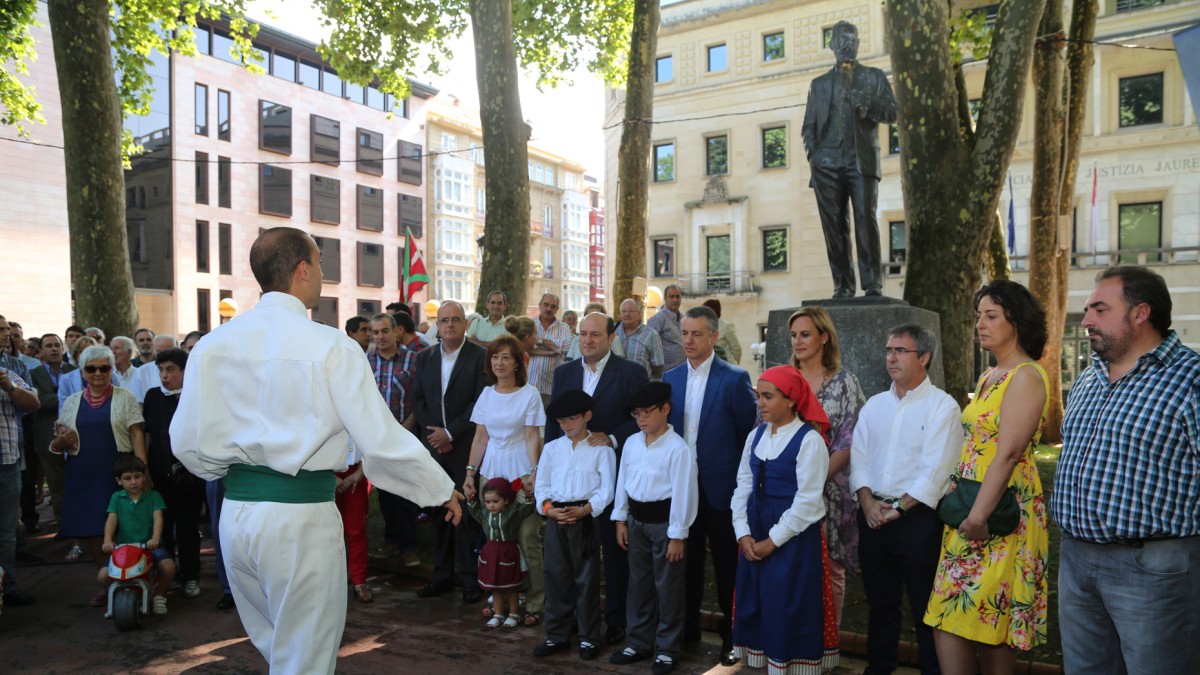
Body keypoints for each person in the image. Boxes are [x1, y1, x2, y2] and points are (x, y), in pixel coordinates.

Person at [170, 227, 461, 674]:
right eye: (320, 262)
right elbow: (379, 436)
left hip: (237, 516)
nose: (323, 272)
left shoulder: (212, 345)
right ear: (303, 270)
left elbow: (186, 441)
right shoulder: (330, 345)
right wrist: (440, 489)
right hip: (299, 518)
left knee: (280, 649)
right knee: (303, 657)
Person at [1051, 266, 1200, 674]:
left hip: (1154, 570)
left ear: (1140, 313)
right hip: (1076, 562)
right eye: (1087, 310)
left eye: (1099, 309)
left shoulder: (1191, 378)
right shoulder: (1088, 378)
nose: (1087, 320)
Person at [923, 281, 1050, 674]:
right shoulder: (990, 376)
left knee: (990, 627)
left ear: (1017, 320)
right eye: (979, 315)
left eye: (991, 315)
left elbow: (1009, 453)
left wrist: (977, 517)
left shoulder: (1026, 375)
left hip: (999, 515)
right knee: (955, 621)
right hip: (970, 511)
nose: (980, 323)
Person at [852, 325, 963, 675]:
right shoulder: (874, 405)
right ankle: (879, 668)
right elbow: (859, 457)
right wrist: (868, 502)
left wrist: (899, 508)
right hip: (872, 518)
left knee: (925, 608)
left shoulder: (942, 407)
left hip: (919, 521)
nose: (891, 357)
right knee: (880, 605)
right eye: (888, 350)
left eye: (900, 351)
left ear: (925, 357)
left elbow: (937, 468)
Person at [545, 312, 648, 645]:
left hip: (612, 473)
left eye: (595, 335)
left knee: (613, 550)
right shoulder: (564, 373)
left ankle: (615, 619)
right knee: (571, 558)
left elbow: (642, 418)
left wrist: (613, 438)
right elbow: (552, 422)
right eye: (583, 334)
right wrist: (546, 466)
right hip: (570, 480)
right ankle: (575, 619)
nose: (587, 340)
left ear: (611, 337)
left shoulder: (632, 373)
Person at [663, 305, 757, 664]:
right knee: (683, 565)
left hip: (721, 490)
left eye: (697, 334)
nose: (689, 340)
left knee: (727, 567)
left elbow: (747, 435)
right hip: (680, 490)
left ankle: (733, 636)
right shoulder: (670, 378)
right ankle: (685, 631)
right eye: (684, 333)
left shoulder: (734, 378)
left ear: (714, 337)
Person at [731, 366, 839, 673]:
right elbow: (743, 486)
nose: (761, 404)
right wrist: (743, 533)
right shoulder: (755, 436)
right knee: (758, 602)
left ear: (791, 400)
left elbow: (807, 501)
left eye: (768, 396)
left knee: (787, 602)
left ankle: (789, 664)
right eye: (758, 397)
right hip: (755, 532)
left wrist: (773, 541)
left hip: (792, 538)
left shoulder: (809, 441)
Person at [801, 20, 898, 298]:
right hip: (826, 164)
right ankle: (843, 284)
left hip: (862, 162)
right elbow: (808, 126)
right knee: (834, 225)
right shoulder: (818, 85)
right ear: (832, 45)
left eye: (851, 40)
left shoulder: (874, 77)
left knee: (865, 219)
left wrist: (867, 104)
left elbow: (892, 112)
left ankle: (872, 284)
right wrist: (814, 157)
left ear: (857, 44)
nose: (847, 45)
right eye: (841, 40)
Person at [610, 381, 697, 675]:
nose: (642, 419)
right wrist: (620, 518)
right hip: (636, 522)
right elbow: (622, 479)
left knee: (668, 587)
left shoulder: (678, 449)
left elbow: (684, 493)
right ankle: (639, 641)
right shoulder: (633, 443)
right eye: (636, 414)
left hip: (664, 526)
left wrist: (677, 534)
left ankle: (668, 649)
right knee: (639, 584)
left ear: (666, 409)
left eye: (648, 412)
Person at [52, 344, 147, 607]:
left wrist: (142, 471)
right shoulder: (72, 401)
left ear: (111, 369)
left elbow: (137, 434)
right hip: (83, 472)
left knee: (124, 525)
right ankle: (107, 581)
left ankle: (131, 577)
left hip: (117, 472)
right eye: (91, 368)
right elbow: (60, 439)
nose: (97, 373)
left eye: (104, 368)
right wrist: (59, 442)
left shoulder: (125, 397)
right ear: (82, 372)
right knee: (95, 530)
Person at [788, 306, 865, 624]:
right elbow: (763, 432)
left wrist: (814, 482)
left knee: (831, 568)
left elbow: (849, 440)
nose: (797, 341)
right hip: (786, 490)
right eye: (793, 335)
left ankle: (826, 647)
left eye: (805, 334)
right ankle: (793, 643)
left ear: (824, 337)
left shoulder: (845, 383)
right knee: (790, 564)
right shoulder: (783, 379)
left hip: (830, 491)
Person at [463, 334, 547, 624]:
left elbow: (532, 436)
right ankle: (500, 595)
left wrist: (535, 474)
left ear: (517, 363)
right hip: (491, 472)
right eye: (495, 357)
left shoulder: (530, 395)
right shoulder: (486, 395)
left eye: (506, 357)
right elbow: (480, 437)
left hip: (521, 471)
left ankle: (535, 601)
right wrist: (471, 474)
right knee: (496, 539)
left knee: (527, 538)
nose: (499, 362)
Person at [411, 300, 486, 602]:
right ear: (437, 326)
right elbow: (417, 399)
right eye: (444, 320)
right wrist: (435, 435)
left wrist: (451, 432)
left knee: (466, 516)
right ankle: (441, 575)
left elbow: (479, 402)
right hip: (435, 449)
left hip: (465, 448)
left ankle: (470, 580)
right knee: (439, 513)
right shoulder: (425, 357)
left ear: (466, 324)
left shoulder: (479, 357)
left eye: (456, 319)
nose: (450, 324)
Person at [532, 390, 616, 660]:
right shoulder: (552, 448)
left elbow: (607, 490)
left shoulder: (601, 449)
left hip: (584, 518)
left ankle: (589, 637)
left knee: (586, 579)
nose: (567, 425)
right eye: (561, 421)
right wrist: (548, 510)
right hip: (556, 516)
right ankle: (557, 634)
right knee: (555, 576)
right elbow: (542, 486)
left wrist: (583, 511)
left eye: (572, 418)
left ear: (587, 416)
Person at [141, 348, 204, 599]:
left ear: (184, 372)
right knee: (162, 529)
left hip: (189, 476)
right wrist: (145, 469)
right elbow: (147, 435)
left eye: (170, 370)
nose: (165, 376)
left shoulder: (195, 396)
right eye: (161, 370)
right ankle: (166, 575)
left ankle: (190, 576)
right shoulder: (153, 396)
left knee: (188, 528)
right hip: (159, 474)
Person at [366, 313, 423, 569]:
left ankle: (409, 546)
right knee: (386, 492)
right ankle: (391, 541)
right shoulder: (366, 361)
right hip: (379, 438)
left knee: (408, 491)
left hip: (407, 434)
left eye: (384, 331)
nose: (379, 337)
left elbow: (420, 397)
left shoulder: (414, 359)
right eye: (375, 332)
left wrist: (407, 426)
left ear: (396, 331)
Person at [99, 454, 176, 615]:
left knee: (168, 568)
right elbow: (111, 520)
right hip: (124, 548)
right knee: (103, 576)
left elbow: (158, 519)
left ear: (144, 477)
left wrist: (155, 538)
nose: (133, 482)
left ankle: (158, 595)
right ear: (118, 481)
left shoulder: (153, 496)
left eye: (137, 477)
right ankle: (115, 596)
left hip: (148, 545)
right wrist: (108, 540)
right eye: (127, 478)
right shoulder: (117, 498)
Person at [0, 327, 39, 608]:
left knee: (6, 532)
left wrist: (9, 387)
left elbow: (34, 403)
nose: (6, 334)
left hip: (7, 462)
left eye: (6, 330)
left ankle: (7, 588)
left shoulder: (8, 370)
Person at [467, 476, 535, 629]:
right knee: (495, 587)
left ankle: (513, 614)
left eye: (495, 501)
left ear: (506, 500)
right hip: (491, 552)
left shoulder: (513, 512)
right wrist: (471, 500)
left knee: (511, 587)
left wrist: (528, 494)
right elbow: (474, 510)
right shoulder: (485, 514)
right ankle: (498, 614)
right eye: (488, 502)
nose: (491, 505)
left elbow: (528, 508)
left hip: (508, 552)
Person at [29, 334, 73, 527]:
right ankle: (64, 525)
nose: (54, 349)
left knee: (76, 482)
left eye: (57, 345)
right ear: (40, 352)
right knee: (56, 485)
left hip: (75, 436)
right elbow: (38, 402)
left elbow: (84, 396)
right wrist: (66, 397)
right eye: (49, 346)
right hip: (47, 436)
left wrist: (53, 397)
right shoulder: (33, 374)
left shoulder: (74, 370)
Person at [528, 294, 572, 407]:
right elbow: (523, 347)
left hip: (551, 388)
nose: (548, 309)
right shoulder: (528, 324)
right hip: (527, 386)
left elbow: (564, 349)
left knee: (549, 423)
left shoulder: (564, 328)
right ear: (539, 305)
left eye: (553, 306)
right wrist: (552, 347)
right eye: (546, 305)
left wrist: (537, 341)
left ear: (557, 309)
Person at [617, 299, 665, 379]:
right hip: (617, 385)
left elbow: (658, 367)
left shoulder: (651, 335)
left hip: (640, 386)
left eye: (631, 311)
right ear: (620, 314)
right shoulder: (614, 332)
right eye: (624, 311)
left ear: (639, 313)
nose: (627, 314)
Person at [646, 284, 685, 371]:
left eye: (677, 296)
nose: (675, 300)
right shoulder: (657, 319)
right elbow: (650, 348)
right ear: (665, 298)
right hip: (665, 373)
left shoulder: (683, 319)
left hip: (682, 370)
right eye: (671, 297)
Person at [702, 299, 742, 365]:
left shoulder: (726, 326)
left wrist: (734, 363)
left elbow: (736, 348)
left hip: (727, 365)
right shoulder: (702, 327)